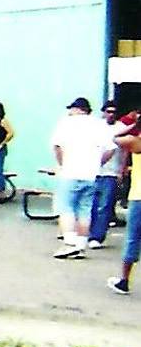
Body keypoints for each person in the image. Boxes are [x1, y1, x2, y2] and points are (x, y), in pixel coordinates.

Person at [50, 97, 116, 260]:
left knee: (66, 209)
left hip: (70, 173)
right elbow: (111, 149)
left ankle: (69, 244)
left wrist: (63, 164)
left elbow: (57, 146)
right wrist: (98, 163)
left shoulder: (66, 123)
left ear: (77, 109)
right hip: (90, 174)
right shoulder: (99, 124)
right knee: (84, 211)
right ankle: (80, 245)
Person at [108, 116, 141, 294]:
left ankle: (124, 281)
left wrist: (134, 126)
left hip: (139, 197)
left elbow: (115, 138)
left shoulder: (136, 142)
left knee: (133, 238)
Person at [87, 102, 127, 249]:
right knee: (91, 204)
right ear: (103, 112)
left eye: (113, 112)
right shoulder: (96, 127)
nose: (111, 114)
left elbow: (125, 150)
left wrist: (121, 170)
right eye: (108, 111)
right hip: (94, 171)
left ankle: (97, 236)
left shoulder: (121, 128)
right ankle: (89, 232)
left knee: (105, 206)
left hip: (111, 172)